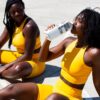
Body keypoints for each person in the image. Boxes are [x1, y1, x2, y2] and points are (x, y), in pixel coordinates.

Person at [0, 8, 100, 100]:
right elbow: (42, 58)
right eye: (76, 19)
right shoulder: (69, 42)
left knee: (52, 98)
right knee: (11, 89)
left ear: (88, 28)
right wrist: (49, 38)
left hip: (71, 96)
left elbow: (98, 83)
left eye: (79, 22)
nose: (74, 23)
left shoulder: (93, 53)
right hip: (54, 91)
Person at [0, 0, 45, 81]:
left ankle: (3, 73)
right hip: (18, 56)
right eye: (13, 12)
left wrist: (6, 66)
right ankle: (6, 71)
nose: (17, 13)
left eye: (19, 10)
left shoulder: (30, 26)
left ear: (23, 8)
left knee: (18, 69)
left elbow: (28, 56)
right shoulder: (11, 24)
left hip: (33, 61)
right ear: (9, 13)